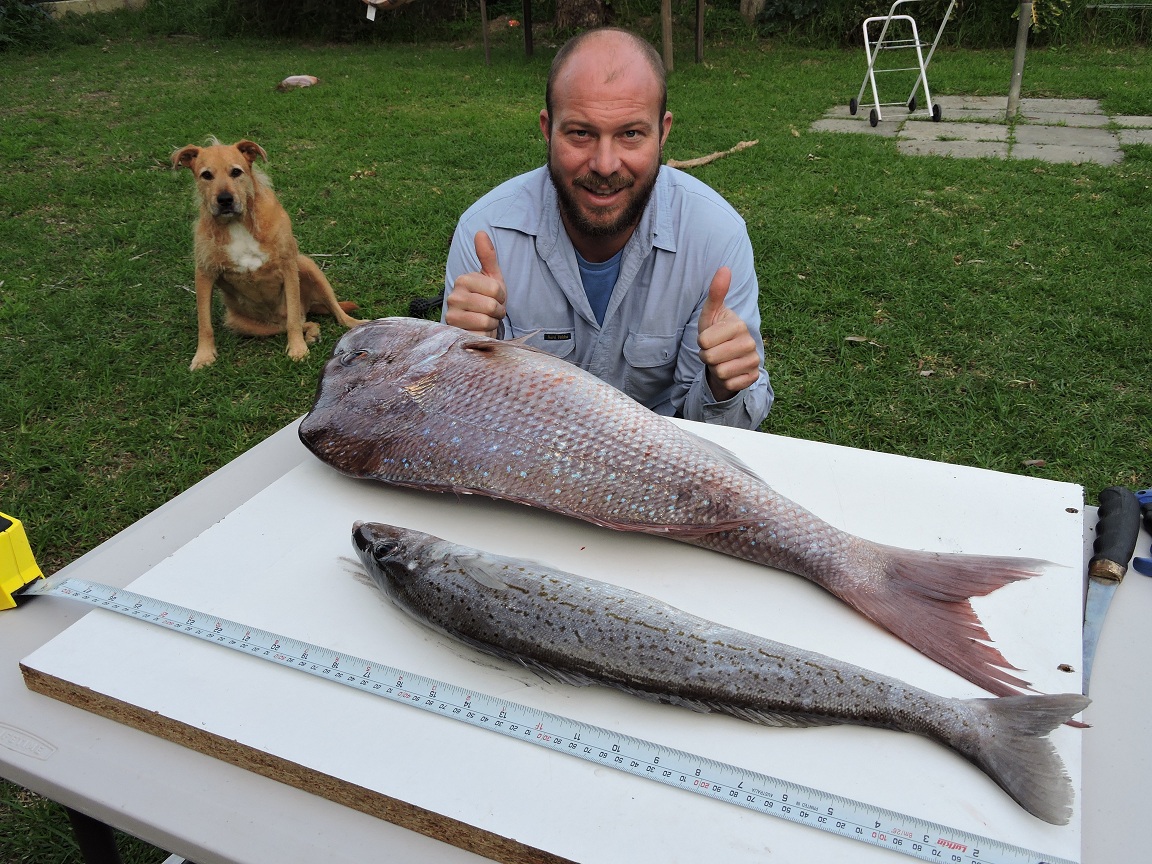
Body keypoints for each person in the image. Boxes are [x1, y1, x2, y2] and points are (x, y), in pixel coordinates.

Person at [444, 26, 772, 430]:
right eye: (581, 133)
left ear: (663, 132)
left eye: (630, 134)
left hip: (659, 456)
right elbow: (463, 421)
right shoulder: (485, 235)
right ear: (548, 130)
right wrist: (464, 360)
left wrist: (723, 386)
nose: (604, 165)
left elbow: (719, 432)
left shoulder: (715, 239)